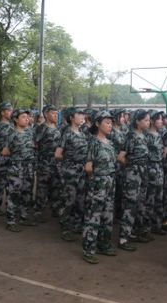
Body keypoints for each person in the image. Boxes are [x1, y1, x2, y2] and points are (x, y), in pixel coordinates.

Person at [82, 111, 118, 264]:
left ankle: (104, 244)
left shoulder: (110, 143)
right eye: (107, 123)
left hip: (110, 182)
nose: (110, 126)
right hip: (98, 182)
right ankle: (89, 249)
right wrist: (96, 180)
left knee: (108, 215)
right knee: (94, 215)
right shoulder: (93, 142)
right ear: (97, 124)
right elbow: (88, 167)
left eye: (111, 123)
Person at [118, 109, 150, 251]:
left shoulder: (144, 136)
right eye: (146, 120)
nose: (148, 123)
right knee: (130, 205)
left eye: (149, 120)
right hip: (133, 174)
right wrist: (131, 168)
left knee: (139, 204)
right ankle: (123, 238)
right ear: (137, 121)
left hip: (143, 173)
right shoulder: (130, 136)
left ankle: (132, 232)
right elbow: (121, 157)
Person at [55, 107, 88, 241]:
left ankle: (76, 225)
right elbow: (57, 154)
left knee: (80, 200)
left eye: (82, 114)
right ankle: (65, 228)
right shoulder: (67, 133)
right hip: (70, 172)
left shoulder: (82, 133)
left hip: (82, 172)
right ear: (71, 118)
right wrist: (68, 164)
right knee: (69, 200)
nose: (82, 116)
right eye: (79, 115)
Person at [2, 109, 36, 232]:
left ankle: (24, 217)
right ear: (16, 119)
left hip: (29, 168)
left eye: (27, 117)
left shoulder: (30, 133)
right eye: (23, 117)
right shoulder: (11, 134)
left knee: (27, 193)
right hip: (16, 169)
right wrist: (18, 157)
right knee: (14, 195)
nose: (26, 119)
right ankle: (10, 221)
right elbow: (5, 152)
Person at [33, 105, 63, 221]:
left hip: (56, 164)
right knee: (42, 189)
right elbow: (35, 144)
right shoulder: (41, 128)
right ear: (46, 114)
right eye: (53, 113)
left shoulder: (58, 128)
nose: (56, 115)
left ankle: (55, 209)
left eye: (57, 113)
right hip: (44, 164)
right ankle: (38, 212)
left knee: (56, 187)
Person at [145, 110, 166, 235]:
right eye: (158, 119)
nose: (161, 121)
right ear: (152, 121)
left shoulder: (159, 135)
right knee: (150, 200)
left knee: (159, 199)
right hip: (151, 169)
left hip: (159, 169)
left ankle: (157, 225)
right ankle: (146, 228)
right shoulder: (147, 136)